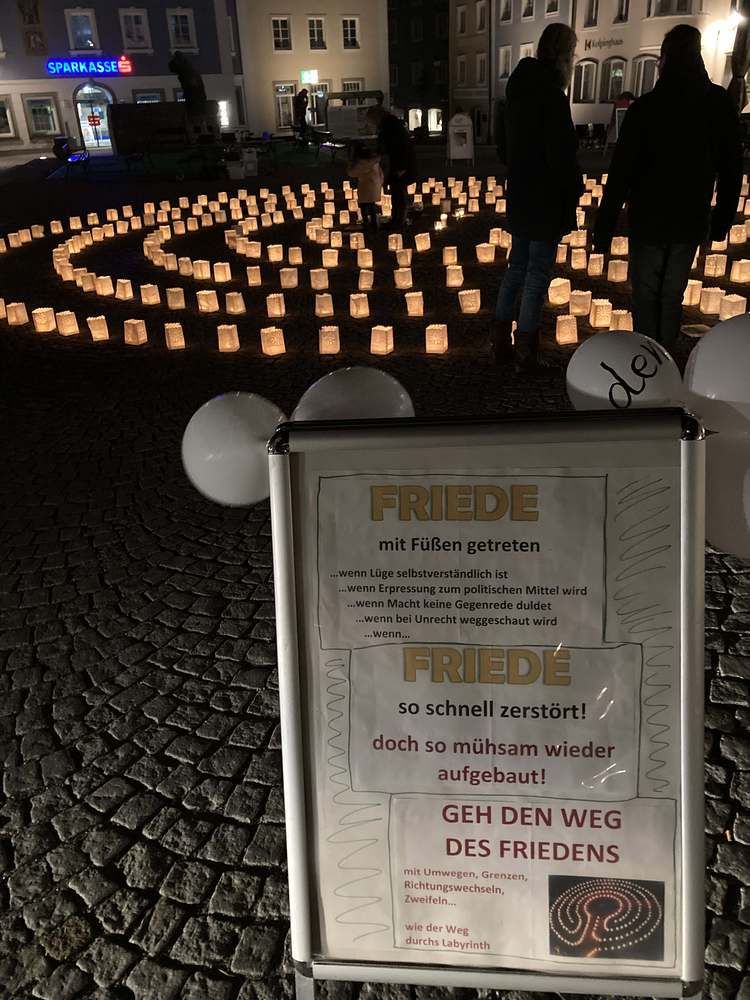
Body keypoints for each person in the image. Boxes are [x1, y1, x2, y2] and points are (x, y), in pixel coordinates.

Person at [593, 25, 742, 353]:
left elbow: (621, 173)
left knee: (646, 295)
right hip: (690, 218)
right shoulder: (717, 103)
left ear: (664, 60)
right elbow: (732, 169)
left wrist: (604, 228)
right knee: (672, 294)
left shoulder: (646, 108)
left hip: (649, 219)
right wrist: (721, 220)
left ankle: (649, 362)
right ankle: (664, 357)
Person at [490, 23, 582, 370]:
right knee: (537, 274)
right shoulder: (551, 94)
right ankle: (526, 352)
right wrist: (572, 189)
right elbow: (562, 154)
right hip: (545, 198)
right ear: (563, 56)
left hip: (521, 193)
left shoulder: (517, 89)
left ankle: (500, 344)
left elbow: (503, 145)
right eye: (572, 54)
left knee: (517, 267)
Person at [366, 105, 416, 230]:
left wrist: (401, 167)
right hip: (395, 165)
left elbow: (400, 147)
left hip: (398, 166)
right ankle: (396, 220)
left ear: (376, 117)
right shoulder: (389, 126)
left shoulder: (391, 127)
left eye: (371, 120)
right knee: (396, 193)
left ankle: (399, 221)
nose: (371, 123)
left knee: (399, 194)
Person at [347, 143, 383, 230]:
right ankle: (374, 224)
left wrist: (351, 164)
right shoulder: (375, 162)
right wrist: (380, 183)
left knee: (364, 207)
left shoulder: (362, 164)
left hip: (365, 188)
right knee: (372, 206)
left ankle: (366, 224)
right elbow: (381, 174)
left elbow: (351, 173)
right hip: (374, 187)